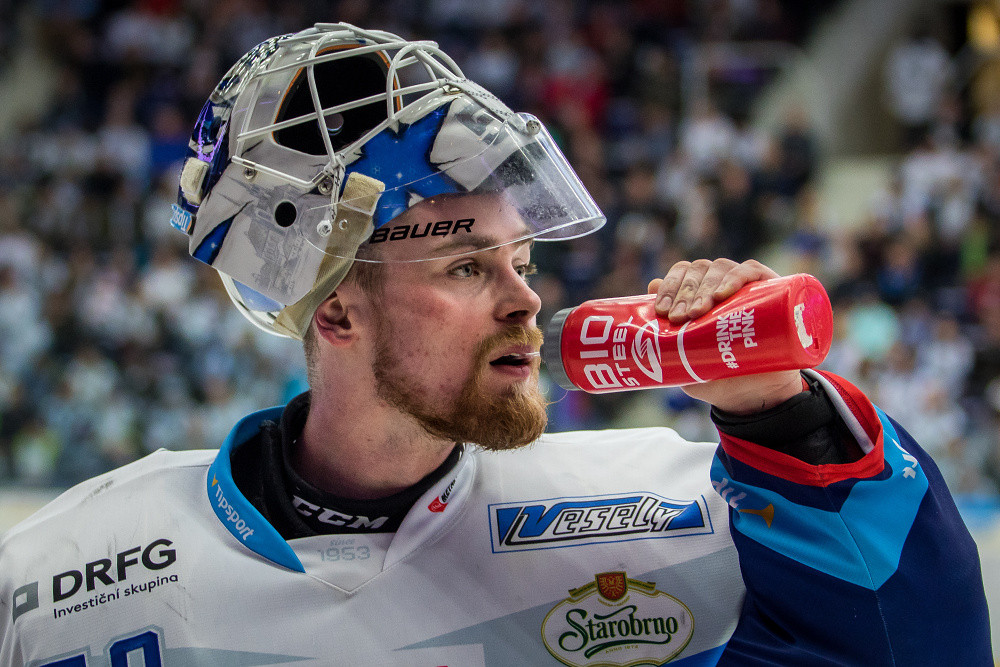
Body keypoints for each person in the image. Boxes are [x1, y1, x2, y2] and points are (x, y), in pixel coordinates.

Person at [0, 23, 992, 666]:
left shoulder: (675, 514)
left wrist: (788, 420)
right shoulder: (64, 570)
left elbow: (914, 650)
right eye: (469, 267)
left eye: (519, 258)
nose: (527, 297)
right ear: (335, 312)